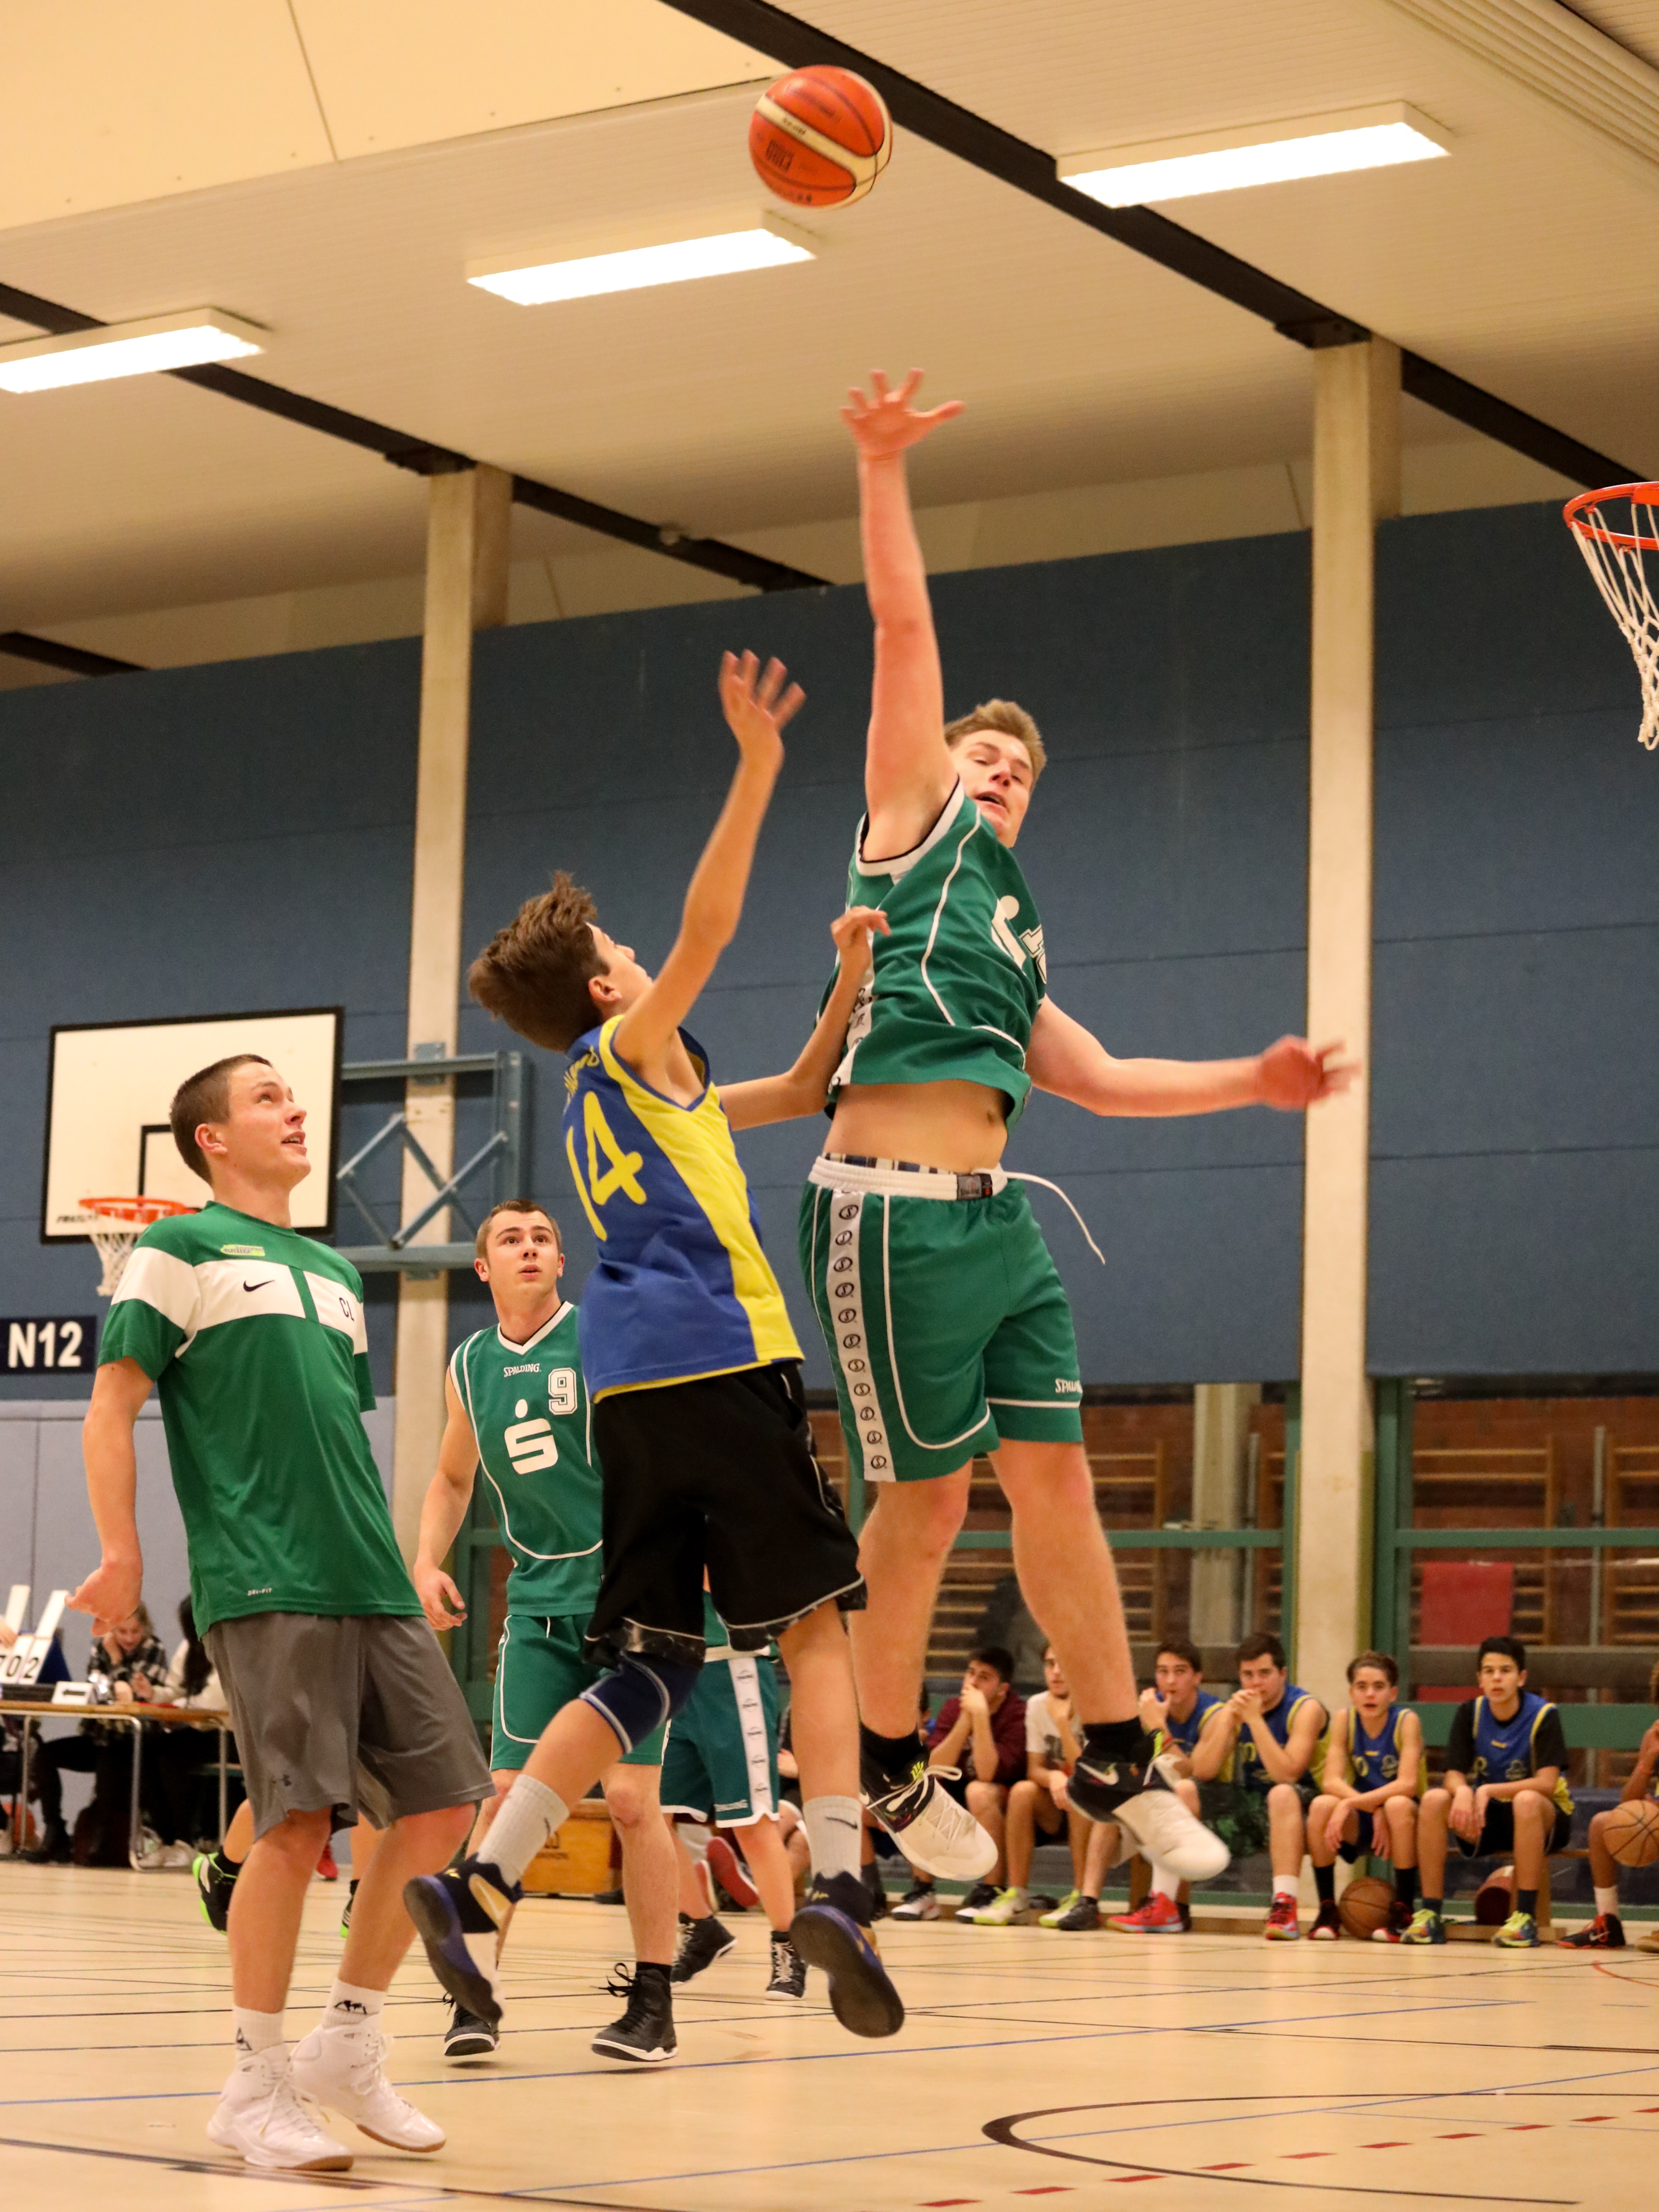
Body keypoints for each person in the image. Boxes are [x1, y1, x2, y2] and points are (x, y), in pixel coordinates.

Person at [801, 369, 1349, 1892]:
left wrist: (1254, 1078)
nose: (1002, 771)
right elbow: (900, 630)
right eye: (984, 753)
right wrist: (881, 466)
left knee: (1056, 1480)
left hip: (994, 1218)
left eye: (1022, 768)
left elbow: (1097, 1077)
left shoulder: (1013, 924)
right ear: (935, 766)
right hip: (886, 1212)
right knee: (922, 1501)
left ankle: (1114, 1748)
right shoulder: (909, 832)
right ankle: (890, 1767)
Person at [405, 648, 905, 2047]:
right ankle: (842, 1881)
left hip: (625, 1394)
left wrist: (847, 980)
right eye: (625, 951)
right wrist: (756, 769)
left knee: (652, 1662)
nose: (641, 956)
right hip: (720, 1365)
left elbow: (801, 1089)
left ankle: (483, 1873)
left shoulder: (611, 1088)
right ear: (607, 981)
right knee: (815, 1622)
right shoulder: (637, 1041)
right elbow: (711, 922)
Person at [74, 1051, 494, 2173]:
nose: (296, 1107)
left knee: (444, 1804)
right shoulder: (177, 1248)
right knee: (298, 1822)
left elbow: (336, 1435)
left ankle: (346, 2043)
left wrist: (408, 1559)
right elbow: (110, 1409)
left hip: (370, 1574)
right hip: (264, 1573)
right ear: (211, 1138)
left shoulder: (337, 1272)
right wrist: (120, 1551)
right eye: (267, 1097)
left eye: (291, 1094)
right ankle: (253, 2081)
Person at [412, 1198, 679, 2062]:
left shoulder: (599, 1333)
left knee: (632, 1803)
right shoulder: (468, 1365)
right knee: (500, 1802)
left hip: (629, 1594)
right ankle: (473, 1994)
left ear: (561, 1262)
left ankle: (654, 2000)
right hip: (538, 1601)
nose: (527, 1248)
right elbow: (452, 1477)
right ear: (482, 1267)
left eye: (541, 1239)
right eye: (509, 1239)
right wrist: (425, 1559)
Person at [659, 1590, 806, 2000]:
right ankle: (701, 1926)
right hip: (669, 1669)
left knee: (751, 1824)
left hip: (730, 1666)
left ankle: (788, 1946)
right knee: (646, 1817)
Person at [1405, 1635, 1574, 1949]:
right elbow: (1454, 1775)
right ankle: (1430, 1913)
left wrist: (1488, 1789)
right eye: (1489, 1671)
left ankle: (1524, 1918)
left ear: (1521, 1678)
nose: (1497, 1678)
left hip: (1546, 1816)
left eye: (1505, 1671)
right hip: (1490, 1815)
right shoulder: (1470, 1713)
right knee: (1434, 1800)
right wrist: (1463, 1792)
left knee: (1526, 1800)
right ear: (1479, 1679)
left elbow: (1547, 1783)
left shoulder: (1544, 1715)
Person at [1192, 1631, 1327, 1939]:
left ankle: (1284, 1905)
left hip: (1309, 1805)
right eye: (1248, 1675)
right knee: (1185, 1791)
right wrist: (1227, 1721)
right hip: (1256, 1803)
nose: (1255, 1684)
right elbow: (1202, 1770)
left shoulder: (1306, 1708)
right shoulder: (1236, 1709)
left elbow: (1287, 1774)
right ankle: (1170, 1904)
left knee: (1281, 1794)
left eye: (1265, 1674)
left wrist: (1255, 1721)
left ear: (1283, 1674)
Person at [20, 1603, 168, 1864]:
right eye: (122, 1632)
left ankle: (102, 1838)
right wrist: (117, 1681)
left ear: (145, 1628)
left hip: (132, 1741)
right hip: (98, 1735)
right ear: (112, 1630)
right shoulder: (100, 1646)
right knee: (45, 1756)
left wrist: (116, 1662)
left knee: (108, 1762)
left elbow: (130, 1696)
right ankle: (55, 1832)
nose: (129, 1638)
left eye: (135, 1631)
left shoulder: (154, 1650)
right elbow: (99, 1689)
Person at [966, 1645, 1094, 1927]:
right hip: (1054, 1805)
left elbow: (1089, 1772)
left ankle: (1080, 1896)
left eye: (1063, 1664)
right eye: (1050, 1664)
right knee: (1023, 1791)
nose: (1056, 1672)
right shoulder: (1037, 1705)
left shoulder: (1093, 1707)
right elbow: (1034, 1769)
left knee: (1080, 1791)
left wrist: (1062, 1723)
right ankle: (1017, 1895)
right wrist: (1054, 1778)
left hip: (1094, 1807)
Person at [892, 1650, 1025, 1921]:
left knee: (979, 1792)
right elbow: (932, 1768)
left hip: (1007, 1802)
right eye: (971, 1673)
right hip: (960, 1796)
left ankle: (992, 1892)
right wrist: (965, 1721)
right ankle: (924, 1892)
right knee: (915, 1789)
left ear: (1003, 1689)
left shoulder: (1017, 1713)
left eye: (984, 1678)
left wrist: (981, 1717)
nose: (973, 1683)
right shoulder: (954, 1708)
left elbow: (987, 1773)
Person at [1108, 1638, 1226, 1935]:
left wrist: (1158, 1728)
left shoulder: (1215, 1714)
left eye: (1180, 1672)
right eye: (1163, 1672)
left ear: (1197, 1677)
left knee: (1176, 1790)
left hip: (1218, 1801)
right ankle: (1086, 1900)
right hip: (1169, 1800)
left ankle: (1164, 1905)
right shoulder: (1149, 1711)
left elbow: (1196, 1772)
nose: (1170, 1681)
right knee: (1113, 1794)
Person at [1307, 1651, 1425, 1940]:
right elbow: (1331, 1780)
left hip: (1405, 1818)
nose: (1370, 1694)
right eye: (1362, 1687)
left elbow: (1407, 1784)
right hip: (1367, 1816)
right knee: (1321, 1805)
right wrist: (1371, 1808)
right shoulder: (1344, 1720)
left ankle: (1404, 1909)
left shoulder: (1406, 1721)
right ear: (1352, 1693)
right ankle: (1327, 1909)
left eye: (1378, 1687)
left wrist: (1353, 1802)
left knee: (1397, 1805)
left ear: (1393, 1693)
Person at [1560, 1661, 1659, 1951]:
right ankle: (1608, 1924)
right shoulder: (1654, 1736)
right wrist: (1648, 1760)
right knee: (1603, 1824)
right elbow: (1628, 1802)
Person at [139, 1597, 230, 1869]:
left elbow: (214, 1702)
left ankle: (185, 1842)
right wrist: (152, 1694)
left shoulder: (227, 1646)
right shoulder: (189, 1647)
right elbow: (175, 1689)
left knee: (171, 1756)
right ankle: (166, 1841)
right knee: (147, 1752)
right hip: (194, 1730)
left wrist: (177, 1708)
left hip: (225, 1735)